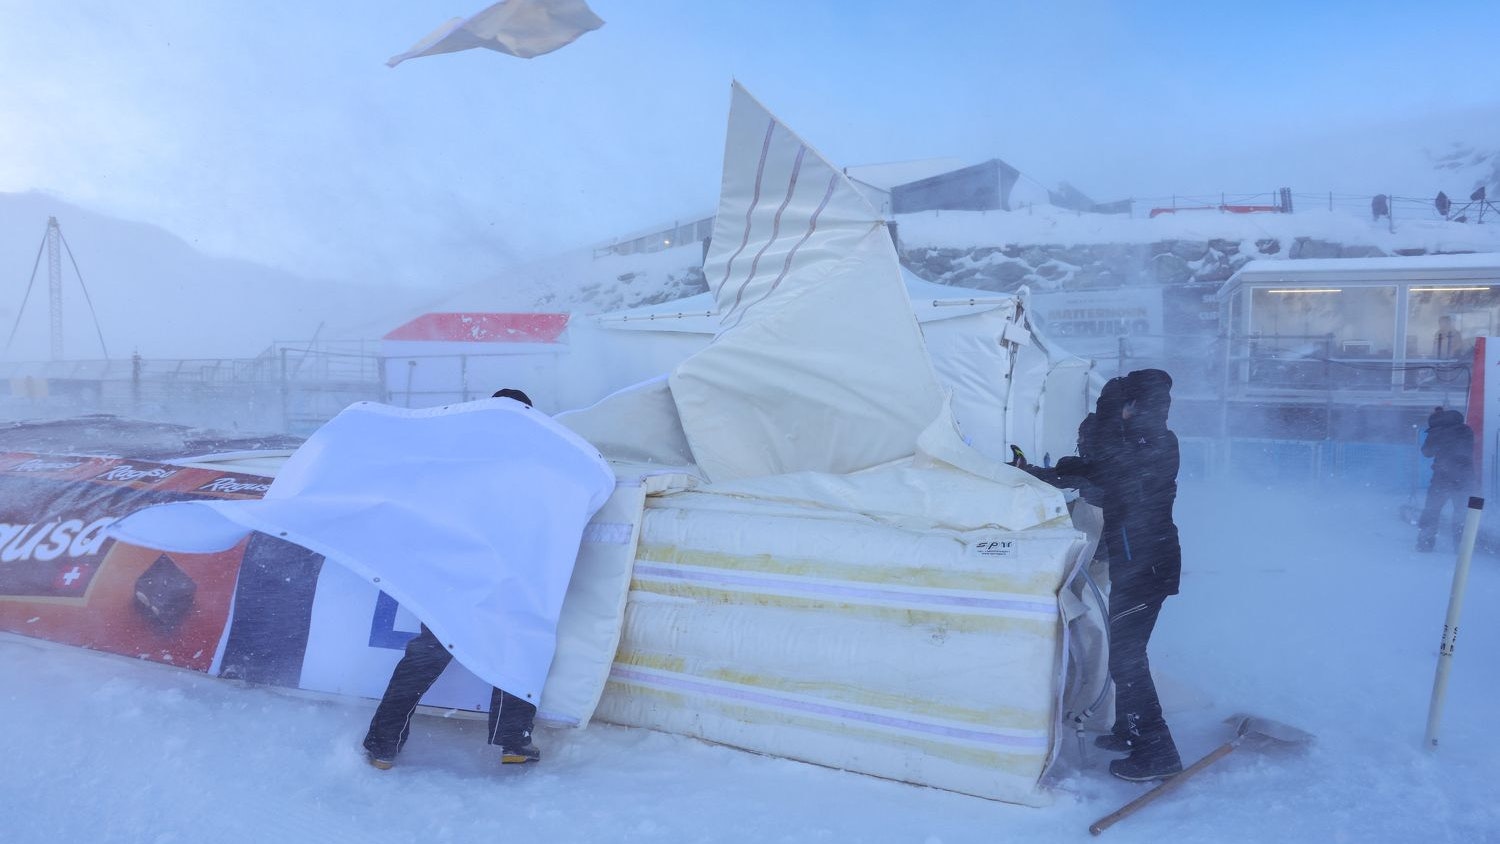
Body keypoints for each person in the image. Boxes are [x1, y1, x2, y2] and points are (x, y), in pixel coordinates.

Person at [362, 387, 542, 770]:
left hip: (450, 576)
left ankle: (383, 745)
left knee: (425, 656)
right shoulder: (534, 463)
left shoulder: (457, 455)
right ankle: (512, 740)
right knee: (516, 651)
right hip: (503, 577)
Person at [1053, 369, 1184, 782]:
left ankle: (1157, 750)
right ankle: (1128, 731)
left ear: (1134, 407)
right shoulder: (1141, 443)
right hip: (1139, 562)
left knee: (1127, 657)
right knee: (1126, 652)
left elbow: (1102, 474)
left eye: (1123, 406)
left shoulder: (1155, 445)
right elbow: (1092, 473)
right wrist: (1033, 470)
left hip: (1148, 566)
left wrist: (1105, 420)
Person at [1416, 407, 1475, 552]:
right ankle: (1461, 547)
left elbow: (1427, 452)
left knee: (1432, 510)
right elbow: (1468, 450)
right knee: (1461, 512)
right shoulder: (1466, 430)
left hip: (1442, 477)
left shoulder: (1436, 431)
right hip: (1465, 477)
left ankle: (1425, 542)